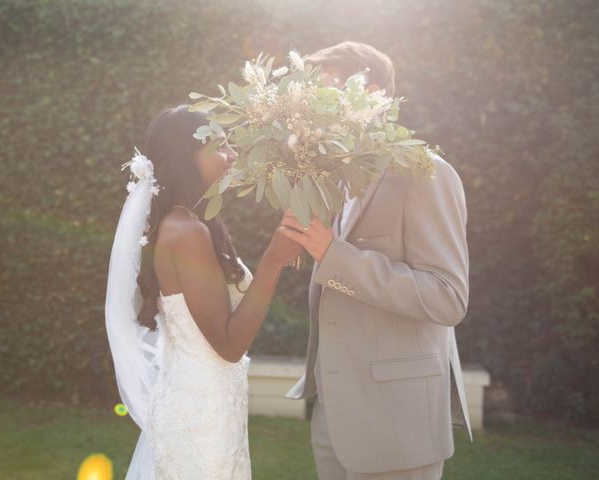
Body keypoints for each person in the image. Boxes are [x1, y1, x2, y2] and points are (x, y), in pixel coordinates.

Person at [282, 41, 473, 480]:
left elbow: (448, 298)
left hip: (398, 423)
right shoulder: (329, 177)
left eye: (320, 93)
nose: (308, 107)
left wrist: (333, 255)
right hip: (334, 419)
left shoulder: (427, 173)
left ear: (369, 93)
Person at [105, 104, 303, 479]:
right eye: (221, 146)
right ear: (187, 156)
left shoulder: (191, 221)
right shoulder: (186, 232)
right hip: (200, 416)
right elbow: (228, 346)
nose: (231, 156)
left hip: (206, 403)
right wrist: (272, 263)